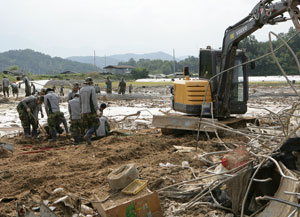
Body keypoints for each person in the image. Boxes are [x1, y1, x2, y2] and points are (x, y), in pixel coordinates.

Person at [80, 77, 100, 145]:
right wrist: (97, 109)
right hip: (90, 111)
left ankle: (88, 142)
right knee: (97, 123)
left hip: (83, 111)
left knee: (88, 126)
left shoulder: (81, 89)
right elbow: (94, 100)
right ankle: (87, 135)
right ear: (90, 83)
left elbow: (80, 102)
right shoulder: (92, 89)